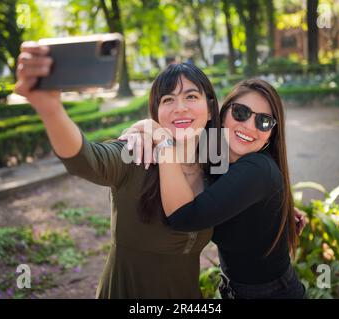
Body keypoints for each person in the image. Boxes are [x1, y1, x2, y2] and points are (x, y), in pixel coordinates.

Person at [14, 42, 222, 298]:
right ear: (156, 113)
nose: (180, 108)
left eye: (191, 96)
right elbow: (85, 159)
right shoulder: (137, 153)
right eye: (168, 99)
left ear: (210, 109)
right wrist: (51, 110)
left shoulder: (217, 165)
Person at [121, 79, 307, 299]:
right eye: (241, 112)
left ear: (271, 134)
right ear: (223, 112)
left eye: (264, 122)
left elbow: (184, 217)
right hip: (234, 289)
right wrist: (138, 132)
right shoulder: (215, 153)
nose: (249, 126)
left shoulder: (257, 169)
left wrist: (160, 138)